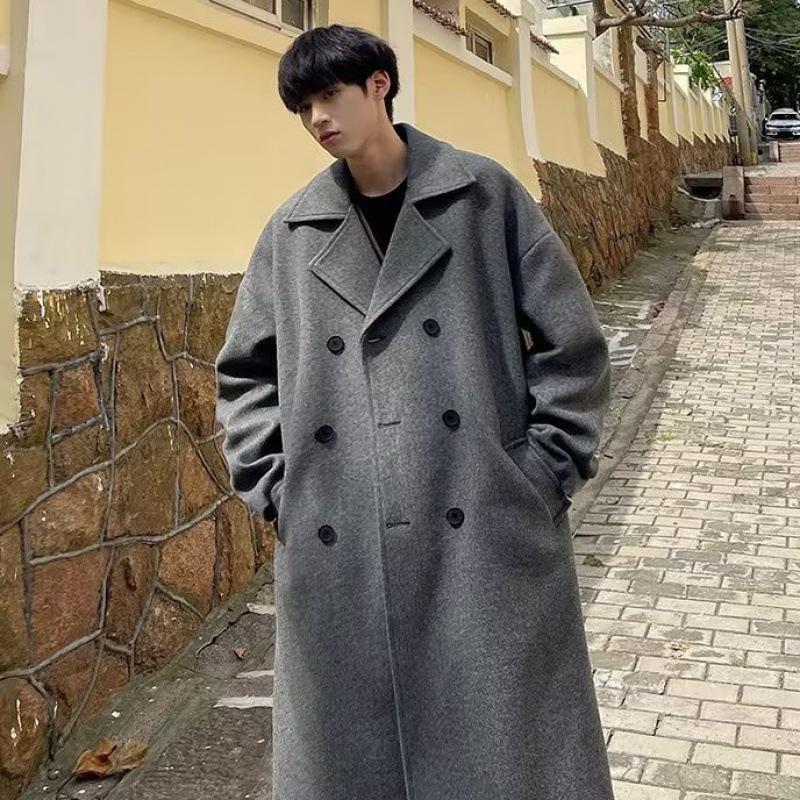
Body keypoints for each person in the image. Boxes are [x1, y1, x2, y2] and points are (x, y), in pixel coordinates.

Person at [215, 23, 614, 800]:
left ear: (380, 85)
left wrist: (539, 473)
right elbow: (244, 373)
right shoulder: (291, 232)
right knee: (355, 763)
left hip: (481, 530)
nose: (317, 118)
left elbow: (573, 343)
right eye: (302, 106)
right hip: (342, 541)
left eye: (330, 94)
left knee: (502, 759)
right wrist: (280, 489)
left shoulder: (482, 197)